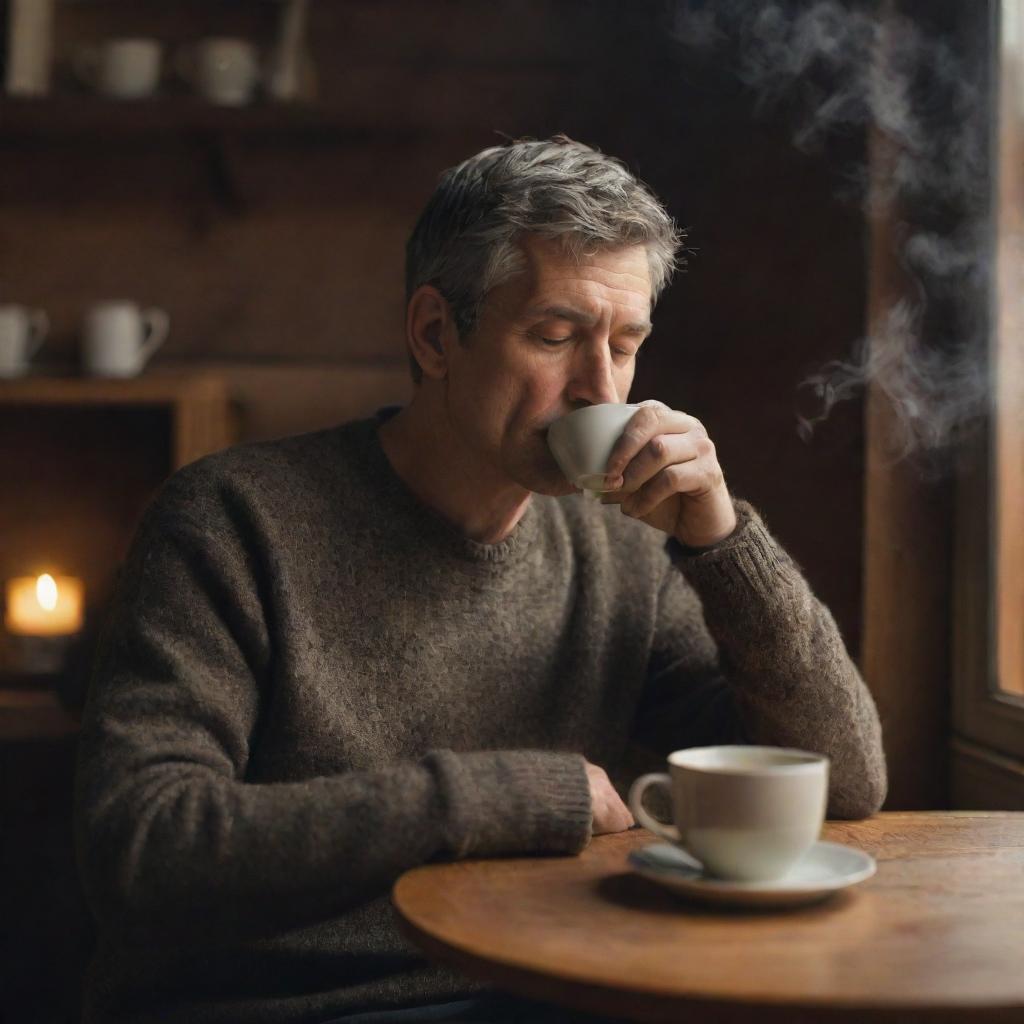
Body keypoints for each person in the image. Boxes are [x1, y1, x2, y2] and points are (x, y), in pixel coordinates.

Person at [73, 135, 887, 1024]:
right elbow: (143, 842)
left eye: (626, 344)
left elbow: (844, 783)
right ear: (434, 334)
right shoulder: (231, 521)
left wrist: (729, 550)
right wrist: (497, 798)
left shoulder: (620, 552)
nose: (599, 389)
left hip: (540, 992)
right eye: (555, 336)